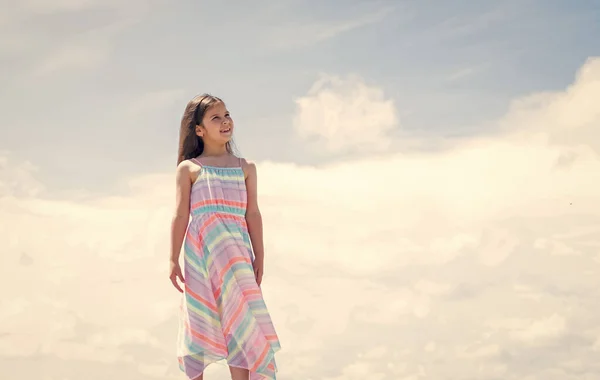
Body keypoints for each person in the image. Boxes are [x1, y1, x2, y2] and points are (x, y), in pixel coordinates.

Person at [169, 94, 281, 380]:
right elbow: (181, 215)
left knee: (241, 322)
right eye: (215, 117)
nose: (225, 121)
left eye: (227, 115)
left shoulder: (245, 168)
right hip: (202, 258)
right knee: (200, 320)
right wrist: (172, 259)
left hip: (238, 257)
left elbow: (252, 214)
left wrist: (261, 256)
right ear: (199, 129)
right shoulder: (190, 168)